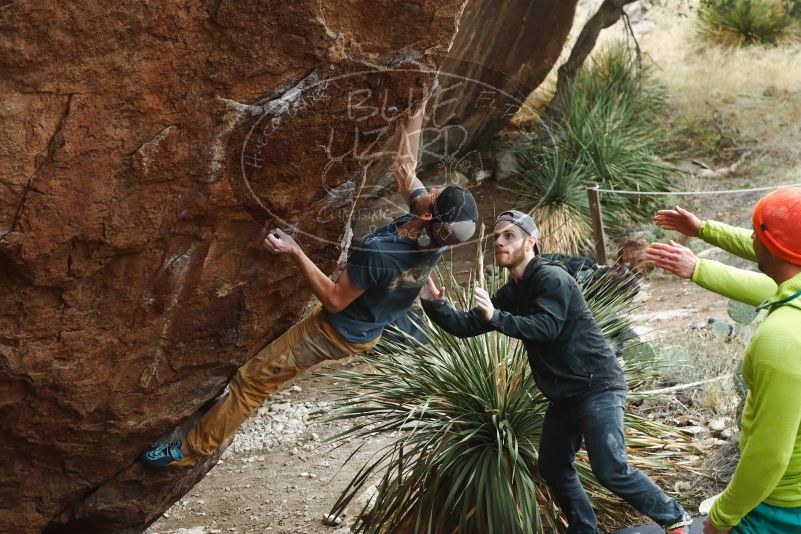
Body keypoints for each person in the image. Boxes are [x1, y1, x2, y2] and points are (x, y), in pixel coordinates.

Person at [142, 100, 479, 467]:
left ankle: (191, 450)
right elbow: (403, 167)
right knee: (264, 366)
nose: (431, 187)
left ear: (430, 214)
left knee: (255, 379)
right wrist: (416, 108)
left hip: (335, 331)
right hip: (366, 326)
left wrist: (295, 251)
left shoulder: (381, 253)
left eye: (436, 192)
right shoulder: (436, 235)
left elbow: (335, 300)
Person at [420, 210, 692, 534]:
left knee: (610, 469)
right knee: (553, 466)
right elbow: (465, 326)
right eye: (496, 237)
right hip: (565, 397)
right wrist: (433, 302)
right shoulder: (514, 290)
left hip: (597, 387)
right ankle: (583, 529)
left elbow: (547, 327)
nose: (500, 242)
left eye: (509, 235)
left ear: (530, 241)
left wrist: (496, 318)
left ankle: (675, 517)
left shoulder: (552, 278)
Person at [647, 189, 801, 534]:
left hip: (781, 506)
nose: (751, 240)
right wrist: (703, 231)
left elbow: (770, 454)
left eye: (756, 234)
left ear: (771, 247)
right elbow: (772, 272)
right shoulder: (794, 298)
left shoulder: (784, 337)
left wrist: (722, 519)